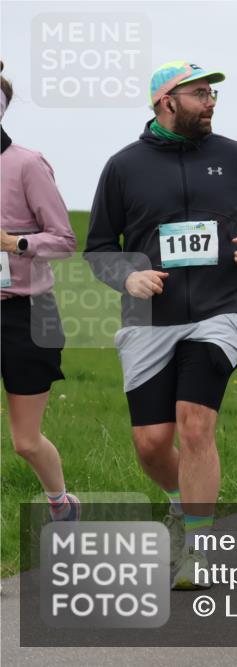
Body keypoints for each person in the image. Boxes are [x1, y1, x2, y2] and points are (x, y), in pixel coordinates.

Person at [84, 61, 237, 589]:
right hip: (148, 320)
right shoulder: (123, 166)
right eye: (200, 94)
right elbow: (100, 249)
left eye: (212, 94)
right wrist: (128, 278)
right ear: (166, 102)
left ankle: (197, 546)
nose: (211, 102)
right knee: (152, 444)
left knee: (195, 422)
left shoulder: (235, 156)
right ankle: (181, 502)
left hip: (218, 312)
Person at [0, 61, 80, 522]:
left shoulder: (26, 165)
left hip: (27, 314)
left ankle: (61, 504)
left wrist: (17, 242)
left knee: (25, 442)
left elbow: (65, 240)